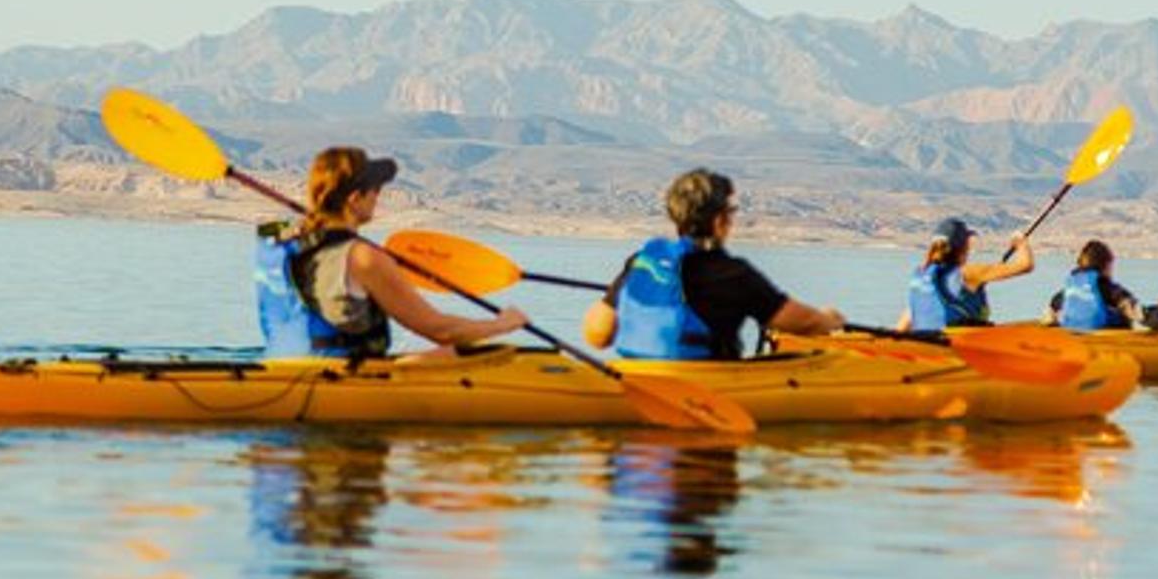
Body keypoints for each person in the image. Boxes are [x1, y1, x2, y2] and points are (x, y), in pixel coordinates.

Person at [254, 146, 528, 358]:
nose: (378, 198)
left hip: (280, 367)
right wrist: (503, 324)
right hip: (344, 379)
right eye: (375, 191)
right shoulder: (364, 257)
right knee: (478, 355)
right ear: (355, 199)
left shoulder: (280, 241)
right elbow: (440, 330)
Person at [583, 169, 846, 360]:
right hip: (705, 384)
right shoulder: (733, 274)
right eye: (730, 213)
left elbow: (597, 335)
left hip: (634, 376)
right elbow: (803, 323)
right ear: (719, 220)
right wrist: (830, 320)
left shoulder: (642, 262)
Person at [897, 217, 1034, 330]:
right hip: (959, 346)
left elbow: (907, 319)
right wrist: (1021, 243)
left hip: (930, 344)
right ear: (964, 246)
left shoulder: (924, 275)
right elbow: (1026, 265)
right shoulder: (970, 273)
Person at [1042, 239, 1158, 332]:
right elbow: (1156, 323)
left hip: (1076, 349)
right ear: (1106, 266)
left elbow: (1047, 320)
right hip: (1111, 351)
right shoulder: (1114, 293)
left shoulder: (1063, 295)